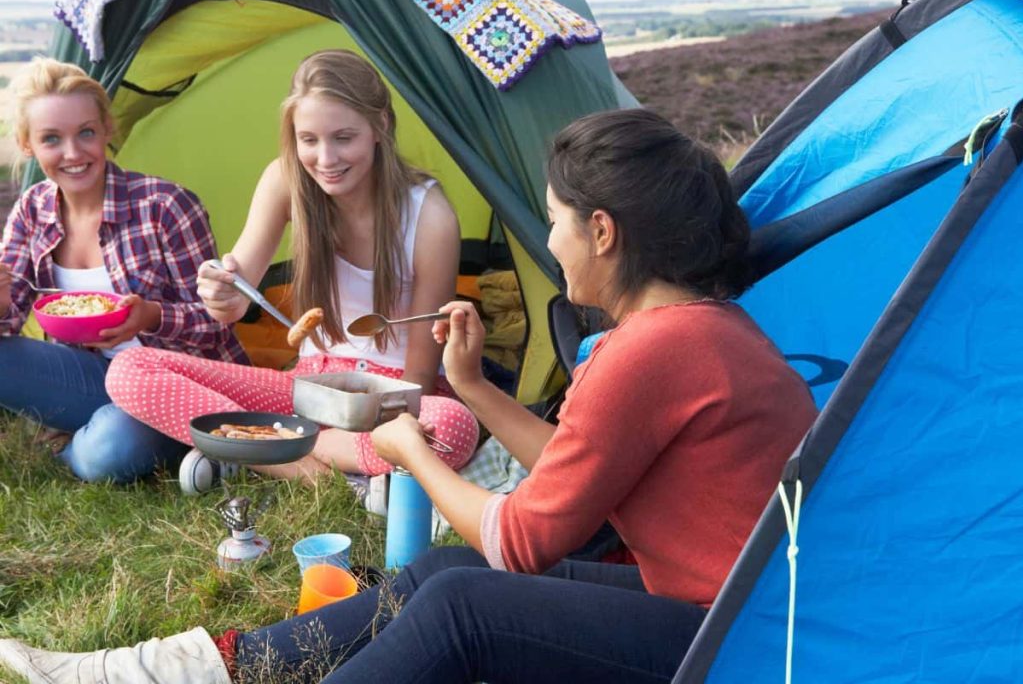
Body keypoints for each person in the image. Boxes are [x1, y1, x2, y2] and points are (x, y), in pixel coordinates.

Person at [0, 109, 818, 684]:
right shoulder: (691, 328)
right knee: (441, 571)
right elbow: (572, 466)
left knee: (466, 602)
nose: (553, 243)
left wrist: (413, 452)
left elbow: (525, 543)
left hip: (747, 642)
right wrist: (467, 387)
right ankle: (185, 667)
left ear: (604, 232)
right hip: (722, 603)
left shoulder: (658, 346)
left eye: (556, 222)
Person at [103, 50, 478, 483]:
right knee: (131, 371)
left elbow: (420, 375)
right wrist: (220, 290)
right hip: (308, 390)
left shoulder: (429, 215)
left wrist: (396, 424)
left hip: (390, 396)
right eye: (309, 139)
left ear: (381, 126)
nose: (325, 159)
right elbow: (233, 303)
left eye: (343, 137)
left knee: (452, 426)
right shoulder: (285, 180)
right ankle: (306, 469)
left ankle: (263, 448)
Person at [0, 57, 247, 484]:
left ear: (107, 130)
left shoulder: (165, 205)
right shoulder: (32, 210)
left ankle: (83, 444)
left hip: (176, 383)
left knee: (108, 452)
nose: (73, 154)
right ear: (28, 145)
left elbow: (217, 323)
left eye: (86, 133)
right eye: (52, 139)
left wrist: (150, 315)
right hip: (95, 378)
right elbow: (11, 318)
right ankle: (96, 427)